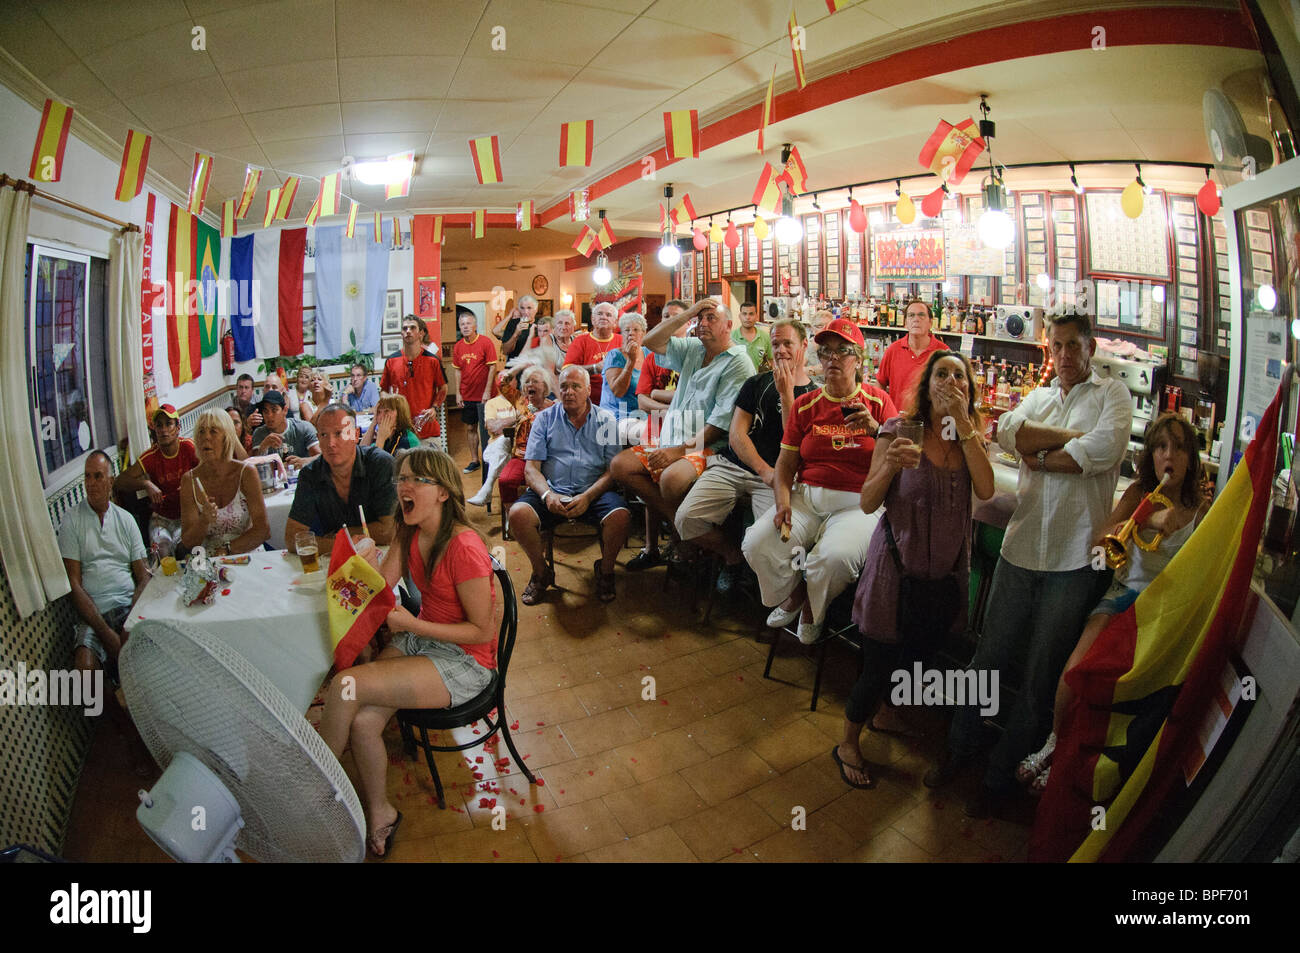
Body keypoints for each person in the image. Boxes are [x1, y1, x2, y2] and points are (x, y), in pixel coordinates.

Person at [925, 313, 1132, 818]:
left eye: (1071, 346)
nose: (1062, 355)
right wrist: (1065, 439)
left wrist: (1038, 454)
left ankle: (1000, 774)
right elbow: (1006, 433)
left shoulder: (1113, 396)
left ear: (1090, 347)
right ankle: (960, 747)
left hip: (1073, 559)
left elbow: (1098, 453)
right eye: (1055, 346)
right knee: (988, 657)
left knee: (1041, 674)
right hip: (1020, 551)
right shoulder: (1039, 396)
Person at [1015, 412, 1211, 793]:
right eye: (1161, 447)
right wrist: (1147, 521)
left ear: (1191, 458)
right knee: (1077, 668)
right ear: (1151, 456)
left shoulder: (1201, 507)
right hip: (1122, 595)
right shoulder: (1139, 494)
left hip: (1166, 610)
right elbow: (1101, 540)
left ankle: (1081, 763)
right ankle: (1053, 743)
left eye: (1179, 448)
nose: (1169, 455)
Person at [320, 447, 497, 858]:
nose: (404, 486)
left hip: (464, 661)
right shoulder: (410, 530)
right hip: (425, 643)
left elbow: (481, 630)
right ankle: (381, 811)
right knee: (364, 722)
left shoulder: (464, 546)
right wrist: (367, 560)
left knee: (346, 683)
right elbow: (384, 587)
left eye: (417, 480)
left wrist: (411, 624)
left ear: (444, 494)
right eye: (401, 478)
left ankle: (315, 789)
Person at [832, 352, 994, 789]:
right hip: (895, 570)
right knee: (878, 663)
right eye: (941, 373)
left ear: (969, 388)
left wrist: (964, 426)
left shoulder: (968, 438)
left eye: (959, 375)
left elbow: (987, 488)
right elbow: (868, 501)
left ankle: (885, 715)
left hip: (943, 575)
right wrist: (889, 465)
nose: (950, 381)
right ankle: (848, 742)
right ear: (926, 385)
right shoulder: (900, 429)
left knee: (917, 659)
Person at [741, 318, 897, 644]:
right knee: (757, 543)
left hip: (859, 506)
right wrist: (782, 501)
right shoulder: (805, 405)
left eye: (843, 352)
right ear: (818, 359)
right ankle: (798, 591)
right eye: (826, 352)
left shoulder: (879, 402)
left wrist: (876, 431)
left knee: (834, 558)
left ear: (859, 358)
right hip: (807, 499)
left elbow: (900, 459)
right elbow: (786, 463)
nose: (833, 359)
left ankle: (812, 606)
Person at [611, 299, 754, 572]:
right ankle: (687, 531)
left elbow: (719, 426)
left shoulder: (739, 362)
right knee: (620, 466)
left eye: (711, 318)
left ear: (729, 326)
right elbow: (650, 341)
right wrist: (690, 312)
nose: (703, 323)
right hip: (672, 440)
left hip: (709, 447)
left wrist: (676, 452)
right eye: (701, 319)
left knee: (671, 479)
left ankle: (701, 542)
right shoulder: (693, 348)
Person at [675, 319, 817, 591]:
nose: (781, 350)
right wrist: (764, 470)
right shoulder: (756, 383)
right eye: (776, 344)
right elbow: (736, 435)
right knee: (686, 519)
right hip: (739, 466)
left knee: (777, 541)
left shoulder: (814, 395)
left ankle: (774, 597)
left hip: (782, 477)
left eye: (788, 343)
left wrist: (787, 395)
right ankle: (733, 556)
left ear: (804, 346)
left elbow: (797, 446)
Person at [508, 366, 631, 605]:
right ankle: (541, 573)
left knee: (621, 516)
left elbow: (612, 471)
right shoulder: (544, 419)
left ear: (588, 390)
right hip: (553, 490)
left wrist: (588, 496)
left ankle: (605, 571)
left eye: (576, 386)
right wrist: (547, 495)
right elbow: (531, 468)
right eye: (563, 386)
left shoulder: (605, 420)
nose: (569, 392)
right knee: (517, 514)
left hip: (593, 492)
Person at [62, 450, 150, 680]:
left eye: (98, 476)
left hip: (126, 608)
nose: (91, 484)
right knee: (84, 671)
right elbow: (74, 584)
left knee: (153, 657)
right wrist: (105, 633)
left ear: (111, 481)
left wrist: (130, 622)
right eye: (87, 477)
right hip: (94, 614)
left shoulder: (125, 520)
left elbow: (143, 577)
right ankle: (114, 717)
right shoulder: (72, 520)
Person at [284, 404, 396, 556]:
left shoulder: (380, 464)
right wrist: (340, 544)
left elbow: (389, 531)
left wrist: (341, 535)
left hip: (384, 557)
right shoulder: (310, 474)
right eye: (323, 435)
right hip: (337, 562)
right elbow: (292, 539)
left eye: (339, 433)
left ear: (356, 435)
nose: (330, 443)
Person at [179, 409, 270, 556]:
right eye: (201, 432)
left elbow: (263, 530)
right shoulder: (189, 480)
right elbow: (188, 543)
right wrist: (203, 520)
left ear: (227, 438)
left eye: (213, 431)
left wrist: (226, 550)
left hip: (247, 553)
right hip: (209, 560)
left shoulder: (246, 473)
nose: (205, 437)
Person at [114, 404, 198, 560]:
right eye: (159, 425)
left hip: (188, 515)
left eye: (169, 424)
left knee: (186, 552)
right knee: (162, 554)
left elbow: (207, 470)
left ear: (178, 428)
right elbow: (120, 481)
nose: (164, 429)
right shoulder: (150, 456)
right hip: (161, 519)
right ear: (155, 430)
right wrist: (146, 484)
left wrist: (191, 485)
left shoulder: (188, 447)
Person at [381, 315, 448, 443]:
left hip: (427, 430)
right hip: (400, 430)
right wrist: (388, 405)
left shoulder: (433, 361)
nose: (408, 331)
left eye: (412, 328)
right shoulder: (391, 361)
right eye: (405, 328)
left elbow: (443, 388)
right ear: (401, 333)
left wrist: (435, 407)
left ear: (421, 333)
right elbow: (383, 390)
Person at [468, 370, 528, 507]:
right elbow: (493, 427)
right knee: (505, 439)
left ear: (515, 382)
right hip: (495, 448)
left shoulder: (522, 401)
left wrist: (503, 423)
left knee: (506, 438)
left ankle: (487, 489)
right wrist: (516, 417)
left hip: (519, 449)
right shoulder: (492, 403)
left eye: (508, 380)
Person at [875, 299, 949, 408]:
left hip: (931, 423)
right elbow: (880, 384)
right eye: (911, 315)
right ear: (905, 323)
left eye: (921, 315)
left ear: (930, 323)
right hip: (897, 421)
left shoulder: (943, 352)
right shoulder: (893, 350)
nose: (916, 319)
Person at [451, 310, 498, 474]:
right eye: (462, 324)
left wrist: (486, 392)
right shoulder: (458, 346)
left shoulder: (486, 342)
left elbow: (493, 368)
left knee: (489, 429)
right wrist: (458, 393)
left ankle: (491, 460)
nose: (465, 327)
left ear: (475, 325)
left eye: (468, 323)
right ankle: (474, 460)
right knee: (470, 428)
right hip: (467, 394)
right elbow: (457, 371)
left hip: (485, 395)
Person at [601, 311, 651, 443]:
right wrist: (631, 361)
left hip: (644, 414)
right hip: (618, 415)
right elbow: (618, 391)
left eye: (636, 330)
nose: (630, 333)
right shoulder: (615, 355)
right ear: (621, 334)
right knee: (651, 434)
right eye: (626, 330)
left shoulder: (649, 355)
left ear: (644, 333)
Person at [563, 301, 622, 405]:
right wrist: (595, 368)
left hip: (617, 401)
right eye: (599, 314)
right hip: (587, 402)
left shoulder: (622, 341)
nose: (604, 317)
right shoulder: (580, 341)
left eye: (608, 315)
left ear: (615, 322)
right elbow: (566, 370)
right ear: (592, 319)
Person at [249, 390, 320, 465]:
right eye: (265, 411)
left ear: (285, 410)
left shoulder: (303, 428)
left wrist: (305, 461)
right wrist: (263, 447)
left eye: (274, 410)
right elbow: (255, 465)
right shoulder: (259, 433)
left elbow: (321, 456)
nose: (269, 415)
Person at [492, 294, 539, 363]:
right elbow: (505, 351)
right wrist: (516, 334)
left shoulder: (542, 323)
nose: (526, 312)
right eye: (522, 308)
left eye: (529, 308)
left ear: (536, 309)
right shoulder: (513, 323)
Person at [731, 300, 773, 372]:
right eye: (744, 314)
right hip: (740, 382)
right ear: (740, 316)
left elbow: (771, 360)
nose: (747, 317)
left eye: (751, 314)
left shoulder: (765, 337)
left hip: (760, 381)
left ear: (756, 316)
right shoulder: (731, 337)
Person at [517, 314, 564, 379]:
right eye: (539, 331)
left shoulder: (560, 344)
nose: (542, 334)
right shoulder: (536, 340)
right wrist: (530, 337)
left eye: (545, 331)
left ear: (554, 330)